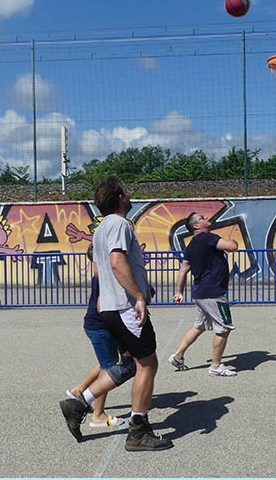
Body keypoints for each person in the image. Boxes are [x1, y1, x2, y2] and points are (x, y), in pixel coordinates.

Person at [60, 176, 172, 452]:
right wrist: (138, 296)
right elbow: (116, 262)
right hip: (125, 308)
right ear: (120, 197)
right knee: (148, 365)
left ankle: (79, 403)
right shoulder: (120, 224)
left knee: (129, 365)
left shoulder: (101, 229)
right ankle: (138, 431)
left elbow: (105, 270)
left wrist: (141, 286)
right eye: (126, 192)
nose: (129, 195)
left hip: (111, 308)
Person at [64, 244, 126, 428]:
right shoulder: (107, 275)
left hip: (95, 324)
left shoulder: (99, 274)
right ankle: (98, 415)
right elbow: (100, 303)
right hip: (99, 326)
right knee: (108, 368)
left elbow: (92, 296)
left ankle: (78, 390)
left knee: (106, 362)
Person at [170, 212, 239, 377]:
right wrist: (233, 241)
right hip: (213, 292)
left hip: (200, 292)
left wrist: (179, 292)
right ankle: (215, 366)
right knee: (224, 328)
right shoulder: (207, 237)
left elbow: (183, 270)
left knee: (199, 326)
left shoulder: (191, 245)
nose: (206, 218)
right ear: (196, 226)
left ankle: (178, 356)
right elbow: (232, 246)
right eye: (202, 218)